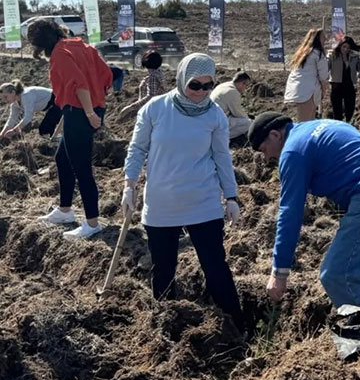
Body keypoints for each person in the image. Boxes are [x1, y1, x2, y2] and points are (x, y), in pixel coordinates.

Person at [247, 113, 360, 344]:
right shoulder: (321, 125)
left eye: (264, 149)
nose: (267, 158)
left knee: (337, 274)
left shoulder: (293, 151)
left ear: (275, 134)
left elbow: (290, 212)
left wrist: (279, 272)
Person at [122, 53, 244, 331]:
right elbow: (137, 148)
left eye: (207, 85)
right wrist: (129, 185)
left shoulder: (214, 115)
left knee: (215, 267)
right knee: (163, 270)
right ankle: (166, 326)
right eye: (194, 85)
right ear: (180, 80)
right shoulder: (156, 108)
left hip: (203, 201)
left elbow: (222, 157)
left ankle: (236, 325)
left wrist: (232, 196)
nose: (201, 92)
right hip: (162, 202)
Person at [30, 19, 111, 239]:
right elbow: (107, 76)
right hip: (83, 110)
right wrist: (97, 104)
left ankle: (92, 223)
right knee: (62, 159)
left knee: (81, 169)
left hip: (82, 113)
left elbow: (79, 84)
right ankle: (65, 210)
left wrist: (89, 113)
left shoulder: (59, 54)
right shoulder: (81, 46)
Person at [284, 29, 329, 121]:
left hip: (299, 89)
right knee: (305, 121)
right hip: (309, 91)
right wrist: (323, 91)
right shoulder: (318, 54)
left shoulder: (302, 53)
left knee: (307, 120)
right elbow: (323, 76)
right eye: (323, 37)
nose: (326, 39)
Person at [119, 50, 166, 119]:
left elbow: (151, 96)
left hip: (150, 112)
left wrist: (131, 107)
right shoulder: (159, 74)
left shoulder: (152, 77)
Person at [328, 37, 360, 122]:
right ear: (340, 46)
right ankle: (338, 126)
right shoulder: (333, 55)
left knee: (350, 107)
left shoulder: (354, 56)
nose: (346, 49)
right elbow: (326, 67)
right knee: (337, 110)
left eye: (348, 47)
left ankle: (348, 123)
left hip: (349, 84)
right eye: (344, 47)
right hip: (336, 84)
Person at [210, 71, 253, 139]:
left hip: (210, 119)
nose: (245, 89)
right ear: (242, 83)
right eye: (246, 85)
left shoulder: (223, 85)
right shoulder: (233, 92)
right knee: (249, 123)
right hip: (216, 123)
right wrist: (250, 119)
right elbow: (238, 114)